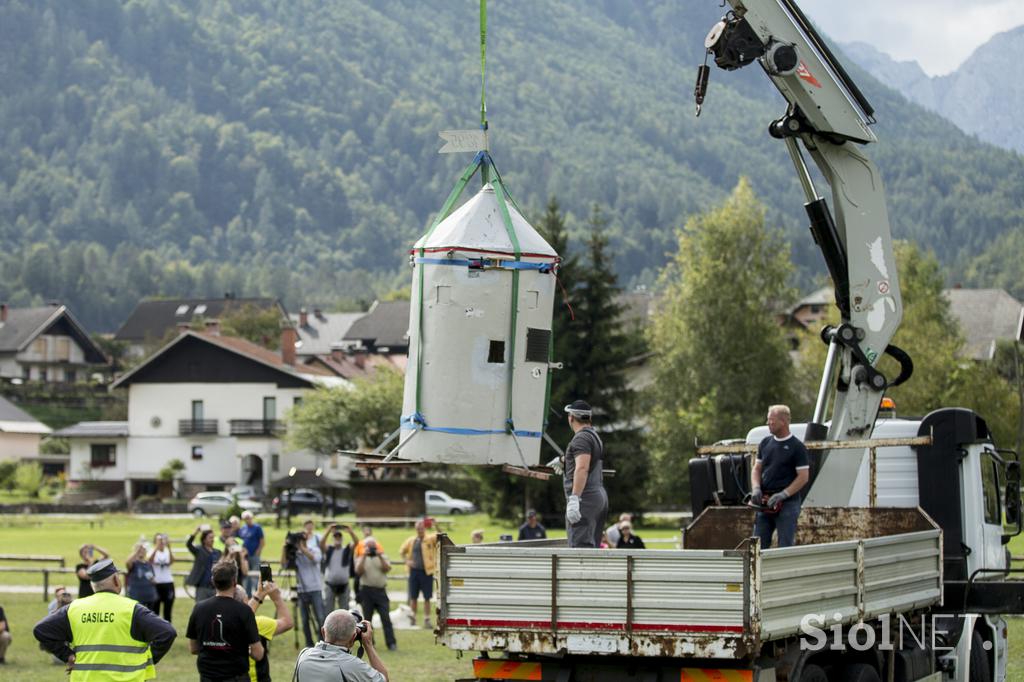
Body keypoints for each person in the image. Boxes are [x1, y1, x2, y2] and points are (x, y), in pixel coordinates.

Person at [33, 559, 176, 679]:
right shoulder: (132, 609)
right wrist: (148, 660)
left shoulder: (74, 608)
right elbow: (167, 632)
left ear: (92, 585)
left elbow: (41, 630)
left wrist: (68, 656)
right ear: (115, 580)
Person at [186, 559, 264, 682]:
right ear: (235, 582)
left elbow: (194, 648)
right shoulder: (244, 611)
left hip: (207, 677)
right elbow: (258, 654)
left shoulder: (199, 608)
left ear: (213, 581)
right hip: (236, 677)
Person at [750, 404, 810, 549]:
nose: (768, 424)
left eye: (771, 420)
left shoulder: (797, 447)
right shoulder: (765, 443)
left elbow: (803, 477)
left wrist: (783, 494)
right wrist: (756, 488)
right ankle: (757, 571)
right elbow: (756, 469)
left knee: (785, 545)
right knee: (757, 544)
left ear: (783, 422)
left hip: (788, 504)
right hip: (765, 503)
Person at [560, 400, 609, 548]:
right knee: (591, 548)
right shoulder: (593, 435)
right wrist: (563, 460)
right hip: (597, 496)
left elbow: (582, 468)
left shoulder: (581, 438)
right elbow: (584, 459)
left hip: (584, 499)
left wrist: (575, 499)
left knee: (580, 550)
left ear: (571, 418)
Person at [293, 609, 389, 682]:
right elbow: (383, 679)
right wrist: (368, 644)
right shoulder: (353, 666)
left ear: (323, 631)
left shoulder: (304, 655)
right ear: (353, 637)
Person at [235, 580, 292, 682]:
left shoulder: (218, 622)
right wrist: (276, 597)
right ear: (245, 601)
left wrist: (259, 595)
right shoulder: (258, 624)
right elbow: (287, 622)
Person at [284, 519, 327, 648]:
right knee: (304, 619)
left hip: (315, 588)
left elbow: (315, 559)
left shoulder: (315, 549)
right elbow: (285, 565)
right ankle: (308, 644)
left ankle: (322, 643)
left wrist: (302, 548)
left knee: (320, 617)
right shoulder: (295, 554)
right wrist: (285, 548)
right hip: (301, 589)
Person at [354, 538, 397, 650]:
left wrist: (380, 555)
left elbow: (387, 568)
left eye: (373, 546)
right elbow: (358, 571)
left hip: (380, 591)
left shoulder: (383, 556)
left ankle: (391, 643)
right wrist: (364, 555)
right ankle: (370, 643)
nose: (371, 548)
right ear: (365, 547)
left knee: (386, 618)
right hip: (366, 592)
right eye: (369, 546)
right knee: (367, 620)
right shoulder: (360, 557)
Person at [399, 520, 438, 629]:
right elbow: (402, 551)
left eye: (421, 528)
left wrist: (436, 525)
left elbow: (440, 537)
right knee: (413, 597)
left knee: (427, 597)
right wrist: (407, 561)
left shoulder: (430, 539)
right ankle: (413, 618)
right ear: (415, 529)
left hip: (426, 572)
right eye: (417, 528)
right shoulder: (412, 540)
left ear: (424, 528)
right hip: (414, 572)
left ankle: (427, 619)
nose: (419, 530)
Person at [321, 523, 357, 611]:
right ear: (332, 539)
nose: (337, 539)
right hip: (330, 585)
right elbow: (321, 543)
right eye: (335, 537)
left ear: (342, 539)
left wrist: (350, 531)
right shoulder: (329, 549)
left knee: (344, 610)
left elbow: (356, 542)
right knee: (328, 610)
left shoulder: (346, 550)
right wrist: (328, 530)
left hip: (344, 585)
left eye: (339, 537)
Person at [187, 526, 223, 601]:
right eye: (210, 538)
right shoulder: (199, 550)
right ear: (204, 539)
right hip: (202, 587)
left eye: (213, 537)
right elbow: (189, 544)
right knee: (200, 608)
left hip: (215, 587)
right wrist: (196, 532)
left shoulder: (217, 552)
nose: (212, 539)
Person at [148, 533, 175, 622]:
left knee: (168, 611)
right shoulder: (152, 550)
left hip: (168, 583)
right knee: (155, 610)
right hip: (156, 584)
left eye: (162, 540)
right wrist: (156, 547)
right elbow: (149, 560)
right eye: (159, 540)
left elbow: (171, 561)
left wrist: (169, 546)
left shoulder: (167, 551)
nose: (161, 542)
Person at [126, 541, 159, 611]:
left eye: (143, 550)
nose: (141, 552)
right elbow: (127, 562)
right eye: (139, 550)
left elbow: (152, 577)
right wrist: (136, 552)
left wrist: (153, 581)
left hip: (150, 596)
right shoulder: (134, 563)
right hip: (137, 597)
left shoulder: (148, 564)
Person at [238, 511, 265, 596]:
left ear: (251, 518)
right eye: (246, 518)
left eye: (249, 518)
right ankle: (248, 593)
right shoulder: (242, 529)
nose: (247, 520)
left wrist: (258, 552)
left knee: (255, 574)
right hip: (245, 556)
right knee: (246, 575)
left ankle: (258, 593)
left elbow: (262, 541)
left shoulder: (257, 528)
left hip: (254, 555)